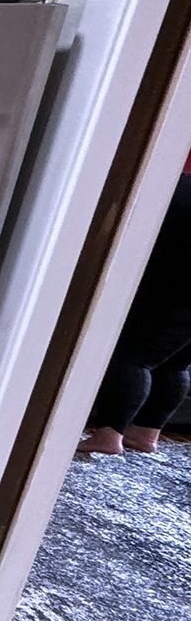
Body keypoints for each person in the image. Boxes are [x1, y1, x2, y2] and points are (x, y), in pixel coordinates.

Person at [79, 152, 191, 455]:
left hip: (174, 288)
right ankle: (145, 432)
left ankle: (109, 435)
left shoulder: (168, 189)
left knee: (132, 358)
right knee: (173, 363)